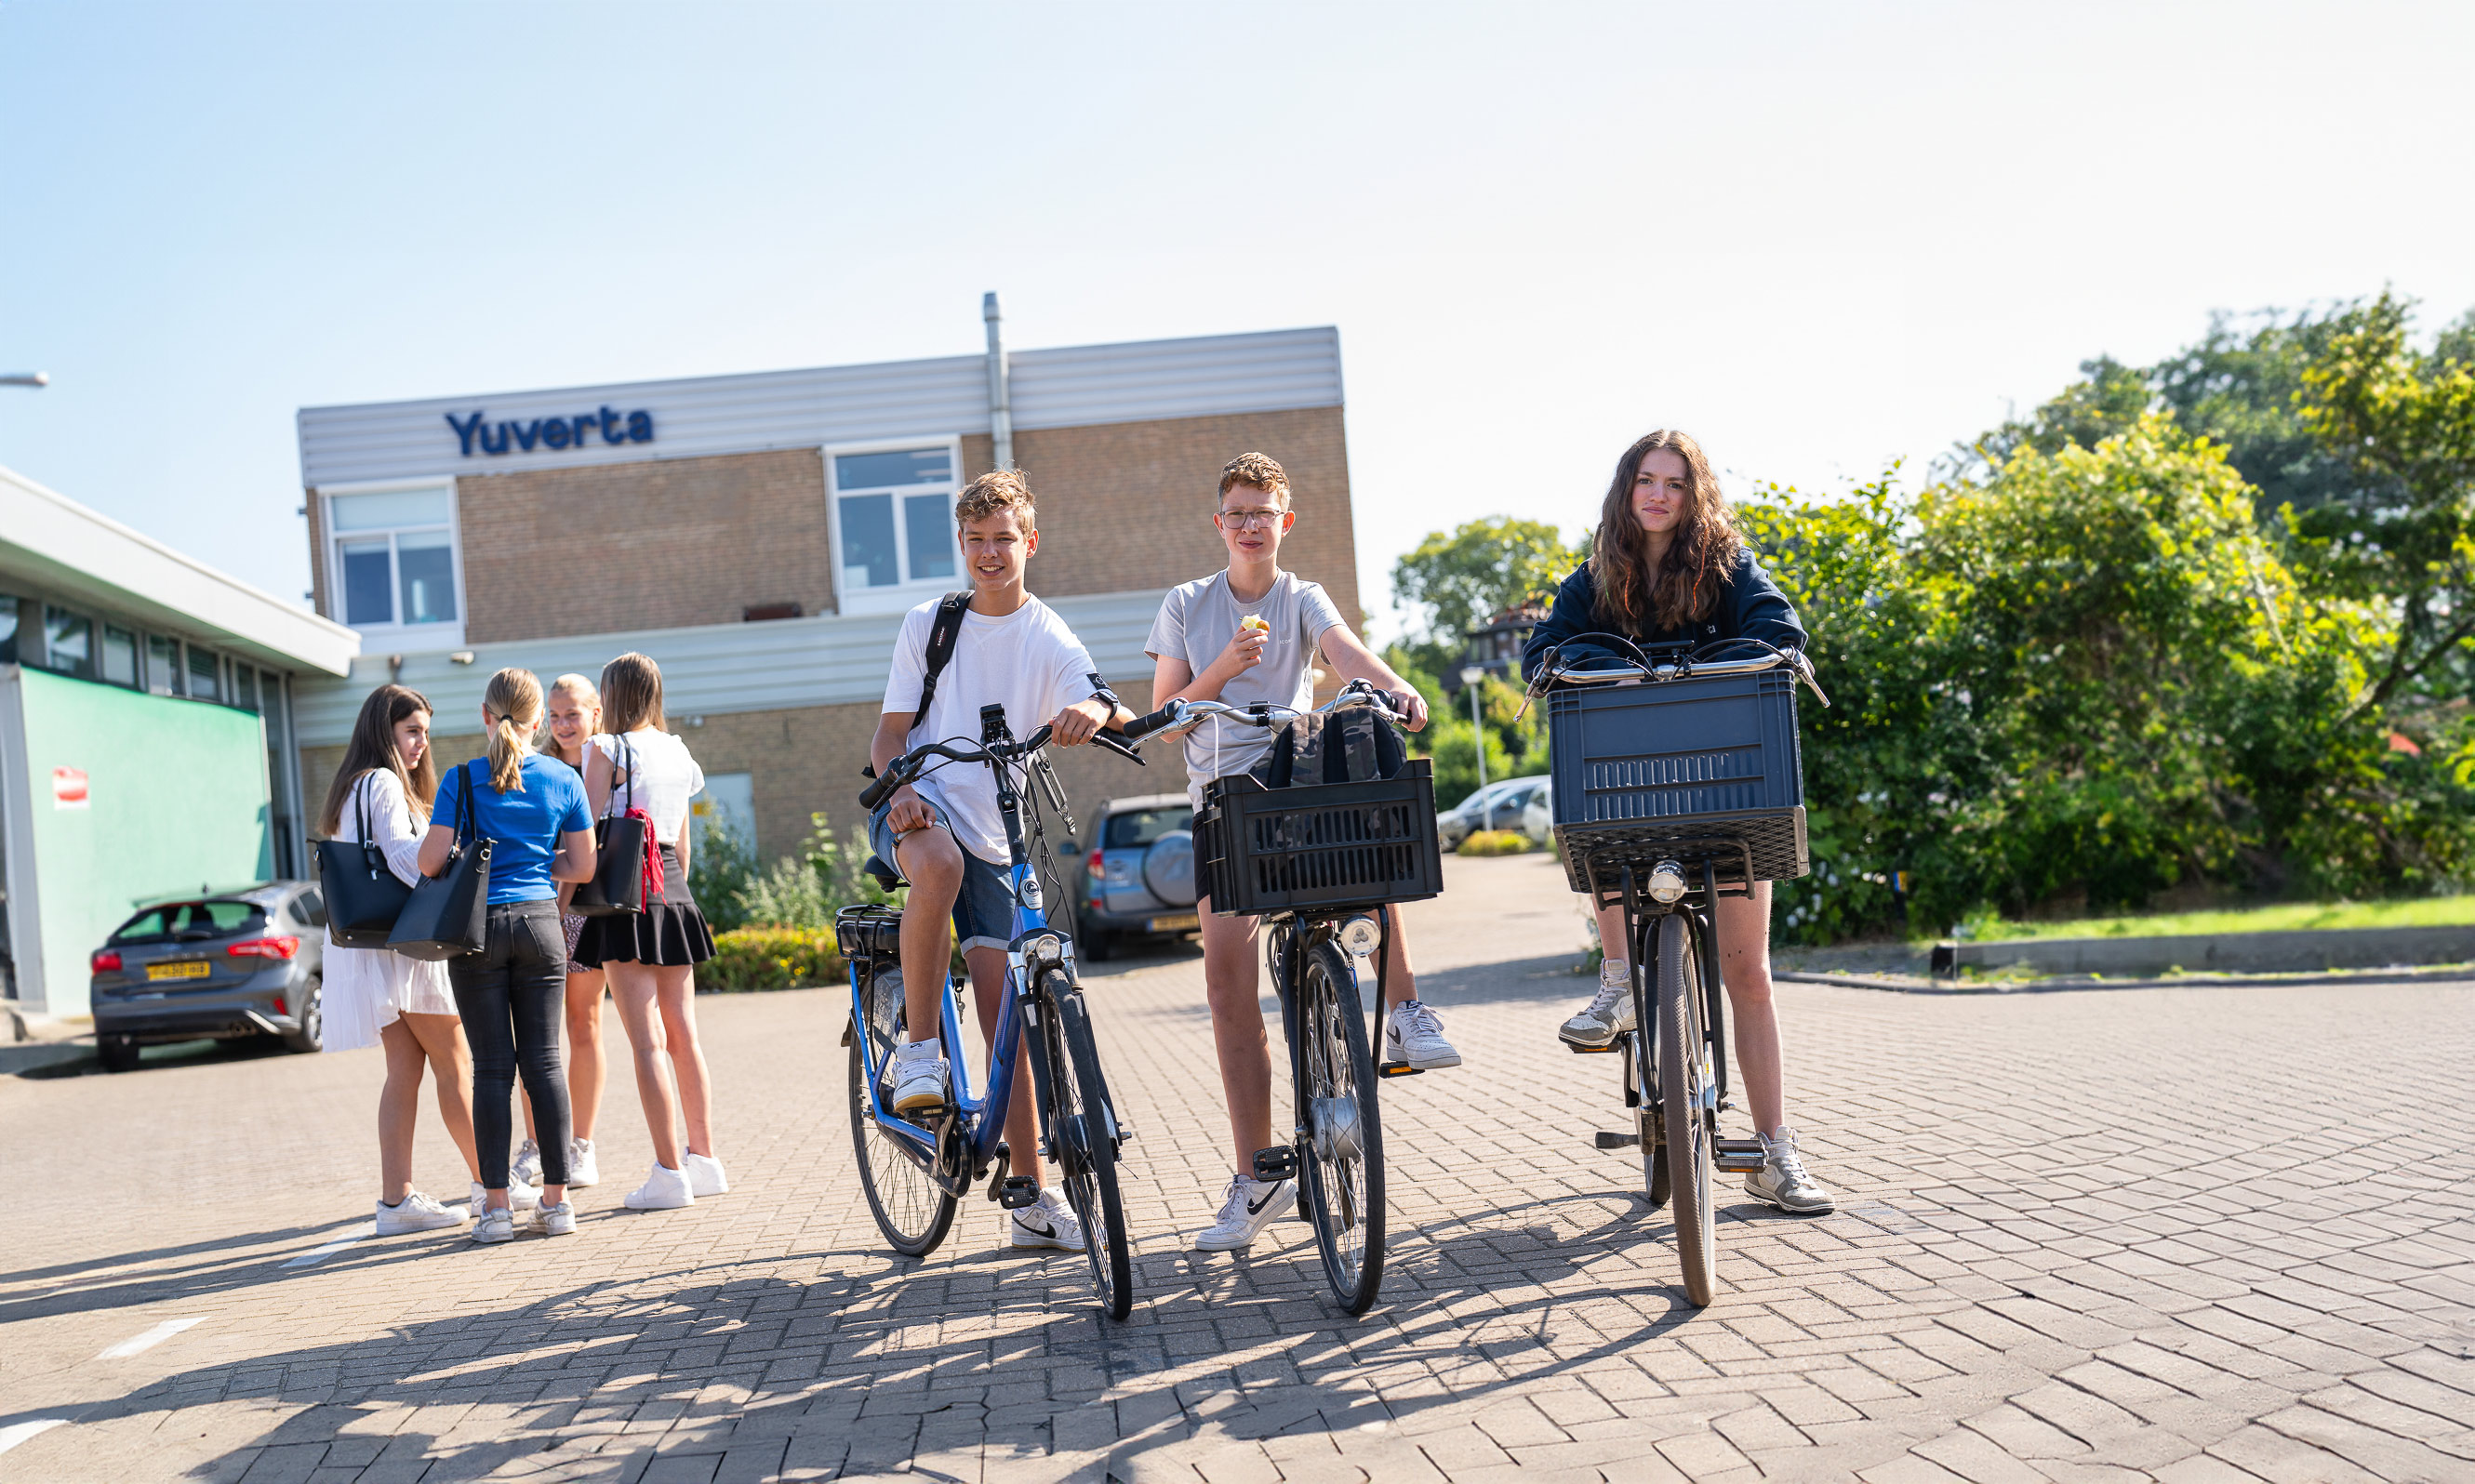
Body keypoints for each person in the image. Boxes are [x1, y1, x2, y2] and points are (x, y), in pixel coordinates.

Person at [1147, 451, 1461, 1252]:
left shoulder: (1300, 596)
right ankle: (1259, 1177)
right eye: (1237, 513)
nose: (1251, 525)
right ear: (1219, 525)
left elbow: (1345, 651)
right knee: (1227, 988)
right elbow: (1164, 717)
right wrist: (1226, 668)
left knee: (1367, 826)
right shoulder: (1186, 603)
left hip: (1295, 784)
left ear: (1285, 523)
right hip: (1225, 800)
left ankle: (1402, 1012)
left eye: (1265, 513)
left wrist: (1395, 686)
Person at [1520, 429, 1834, 1215]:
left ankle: (1775, 1152)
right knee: (1599, 830)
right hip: (1632, 790)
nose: (1658, 495)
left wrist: (1765, 647)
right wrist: (1572, 662)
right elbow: (1545, 648)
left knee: (1747, 975)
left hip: (1724, 786)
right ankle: (1621, 981)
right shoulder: (1594, 577)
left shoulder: (1727, 568)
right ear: (1626, 491)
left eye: (1675, 483)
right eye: (1645, 480)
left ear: (1695, 496)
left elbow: (1775, 622)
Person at [869, 468, 1133, 1253]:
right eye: (976, 541)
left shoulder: (1046, 632)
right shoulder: (932, 622)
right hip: (917, 807)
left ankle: (1027, 1191)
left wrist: (1090, 709)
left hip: (1000, 831)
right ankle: (918, 1051)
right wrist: (901, 789)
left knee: (1006, 1004)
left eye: (1004, 539)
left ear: (1030, 543)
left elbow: (1104, 697)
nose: (990, 553)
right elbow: (888, 735)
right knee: (937, 868)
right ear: (961, 544)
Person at [419, 668, 598, 1243]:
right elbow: (585, 866)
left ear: (484, 714)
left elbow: (429, 862)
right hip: (542, 926)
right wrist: (539, 868)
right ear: (539, 719)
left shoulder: (461, 779)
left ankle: (496, 1209)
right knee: (546, 1064)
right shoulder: (561, 780)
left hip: (478, 933)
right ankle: (557, 1202)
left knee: (492, 1068)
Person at [315, 684, 500, 1235]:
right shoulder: (384, 783)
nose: (422, 742)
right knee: (455, 1062)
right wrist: (448, 868)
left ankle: (396, 1202)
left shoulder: (352, 786)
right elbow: (401, 856)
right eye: (412, 730)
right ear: (385, 731)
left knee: (405, 1070)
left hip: (377, 946)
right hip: (409, 949)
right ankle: (491, 1183)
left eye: (425, 730)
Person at [577, 652, 725, 1212]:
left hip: (625, 891)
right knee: (683, 1033)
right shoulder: (677, 749)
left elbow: (585, 828)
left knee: (647, 1042)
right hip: (674, 888)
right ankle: (703, 1160)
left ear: (611, 695)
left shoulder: (606, 748)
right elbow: (683, 842)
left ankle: (668, 1173)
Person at [513, 673, 610, 1192]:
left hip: (586, 915)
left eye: (572, 713)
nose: (563, 724)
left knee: (585, 1025)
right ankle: (535, 1145)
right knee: (537, 1035)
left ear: (596, 713)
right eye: (554, 715)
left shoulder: (609, 767)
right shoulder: (535, 768)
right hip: (537, 911)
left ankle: (581, 1147)